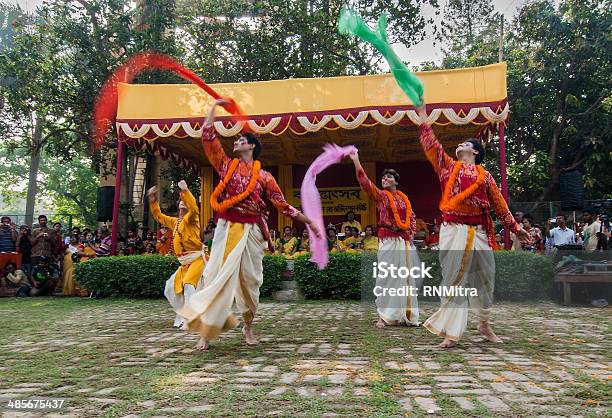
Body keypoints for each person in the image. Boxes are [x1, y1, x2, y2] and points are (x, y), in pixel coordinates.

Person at [182, 98, 320, 350]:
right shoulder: (225, 166)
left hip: (253, 232)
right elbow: (208, 137)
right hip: (227, 228)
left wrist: (308, 221)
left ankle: (248, 326)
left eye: (240, 140)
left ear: (252, 147)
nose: (235, 142)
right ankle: (206, 330)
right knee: (216, 277)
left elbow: (281, 203)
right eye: (235, 140)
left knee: (249, 281)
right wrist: (214, 108)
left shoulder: (265, 176)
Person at [416, 102, 530, 348]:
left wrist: (517, 228)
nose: (460, 145)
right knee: (454, 278)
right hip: (453, 230)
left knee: (486, 278)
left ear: (476, 152)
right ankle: (451, 332)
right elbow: (430, 143)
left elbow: (499, 205)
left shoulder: (485, 176)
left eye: (465, 144)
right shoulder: (447, 167)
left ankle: (484, 323)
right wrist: (422, 113)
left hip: (479, 232)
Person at [348, 151, 420, 328]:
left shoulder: (404, 199)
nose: (384, 179)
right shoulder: (381, 196)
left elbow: (411, 217)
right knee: (387, 277)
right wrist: (356, 160)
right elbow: (365, 182)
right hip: (388, 240)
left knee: (406, 278)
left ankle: (404, 315)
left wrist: (411, 233)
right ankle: (384, 316)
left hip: (403, 242)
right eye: (383, 177)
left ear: (396, 181)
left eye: (388, 177)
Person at [148, 180, 207, 328]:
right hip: (184, 263)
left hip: (197, 259)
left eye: (184, 201)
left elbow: (194, 209)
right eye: (181, 200)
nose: (182, 202)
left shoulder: (192, 219)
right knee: (170, 288)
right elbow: (159, 216)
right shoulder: (174, 222)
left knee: (188, 285)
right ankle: (183, 316)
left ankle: (191, 320)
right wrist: (153, 200)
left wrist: (186, 191)